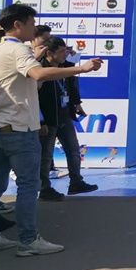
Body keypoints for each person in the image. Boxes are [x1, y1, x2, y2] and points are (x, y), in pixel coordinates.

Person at [0, 3, 101, 257]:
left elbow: (22, 81)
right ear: (18, 24)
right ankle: (28, 240)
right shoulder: (18, 50)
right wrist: (80, 68)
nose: (35, 29)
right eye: (32, 23)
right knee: (28, 185)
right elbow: (37, 75)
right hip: (20, 129)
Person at [37, 37, 96, 201]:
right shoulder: (39, 70)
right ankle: (44, 188)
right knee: (45, 156)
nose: (65, 54)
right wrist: (41, 121)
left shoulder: (66, 68)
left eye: (66, 50)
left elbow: (72, 86)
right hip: (48, 119)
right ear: (49, 53)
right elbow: (34, 98)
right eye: (61, 51)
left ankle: (76, 182)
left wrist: (76, 104)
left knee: (73, 150)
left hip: (64, 115)